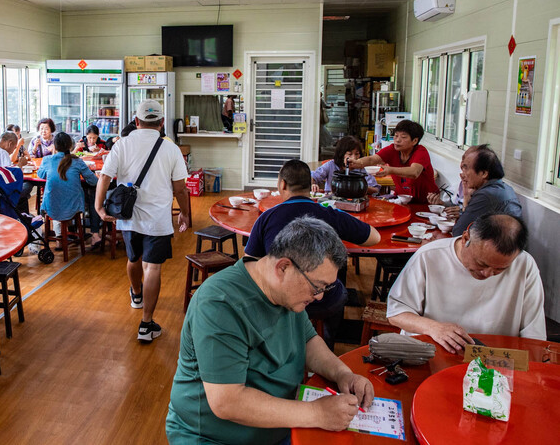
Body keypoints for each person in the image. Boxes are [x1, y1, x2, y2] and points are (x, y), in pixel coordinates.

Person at [166, 216, 375, 444]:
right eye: (317, 286)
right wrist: (317, 413)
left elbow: (308, 342)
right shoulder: (220, 303)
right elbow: (228, 402)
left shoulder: (287, 295)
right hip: (212, 437)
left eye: (326, 287)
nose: (320, 296)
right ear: (283, 267)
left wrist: (343, 373)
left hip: (279, 424)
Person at [245, 159, 381, 348]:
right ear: (310, 186)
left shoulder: (267, 216)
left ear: (282, 184)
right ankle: (328, 341)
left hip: (279, 297)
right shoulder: (329, 214)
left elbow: (250, 261)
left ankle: (279, 340)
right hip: (322, 298)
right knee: (338, 289)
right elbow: (374, 237)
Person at [95, 100, 190, 343]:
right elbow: (180, 188)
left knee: (133, 258)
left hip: (128, 216)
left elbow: (105, 177)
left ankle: (136, 295)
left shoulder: (122, 144)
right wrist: (185, 213)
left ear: (136, 122)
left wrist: (98, 207)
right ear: (161, 123)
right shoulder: (171, 149)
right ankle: (146, 325)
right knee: (153, 268)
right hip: (158, 219)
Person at [387, 214, 545, 353]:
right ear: (466, 239)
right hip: (432, 354)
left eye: (499, 269)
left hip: (494, 362)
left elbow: (534, 335)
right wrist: (434, 328)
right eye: (481, 264)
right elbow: (396, 313)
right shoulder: (429, 256)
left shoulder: (524, 265)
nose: (487, 274)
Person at [427, 145, 521, 236]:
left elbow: (459, 232)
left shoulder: (486, 196)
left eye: (466, 168)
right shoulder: (503, 188)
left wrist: (466, 200)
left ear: (483, 173)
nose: (463, 173)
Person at [350, 119, 438, 203]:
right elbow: (372, 159)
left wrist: (390, 170)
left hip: (427, 202)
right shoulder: (392, 149)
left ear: (414, 141)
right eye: (396, 136)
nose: (397, 140)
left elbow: (414, 172)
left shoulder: (421, 152)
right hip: (402, 200)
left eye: (403, 137)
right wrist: (358, 162)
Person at [37, 132, 101, 247]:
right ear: (70, 146)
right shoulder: (77, 161)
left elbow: (41, 175)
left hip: (51, 207)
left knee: (59, 194)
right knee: (92, 196)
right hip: (73, 207)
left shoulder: (47, 160)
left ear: (55, 146)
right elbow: (93, 182)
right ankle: (94, 233)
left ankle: (60, 236)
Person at [311, 136, 379, 195]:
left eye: (357, 154)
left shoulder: (361, 169)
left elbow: (375, 189)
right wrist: (313, 184)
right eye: (349, 154)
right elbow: (313, 177)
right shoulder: (331, 165)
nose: (354, 158)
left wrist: (358, 186)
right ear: (341, 154)